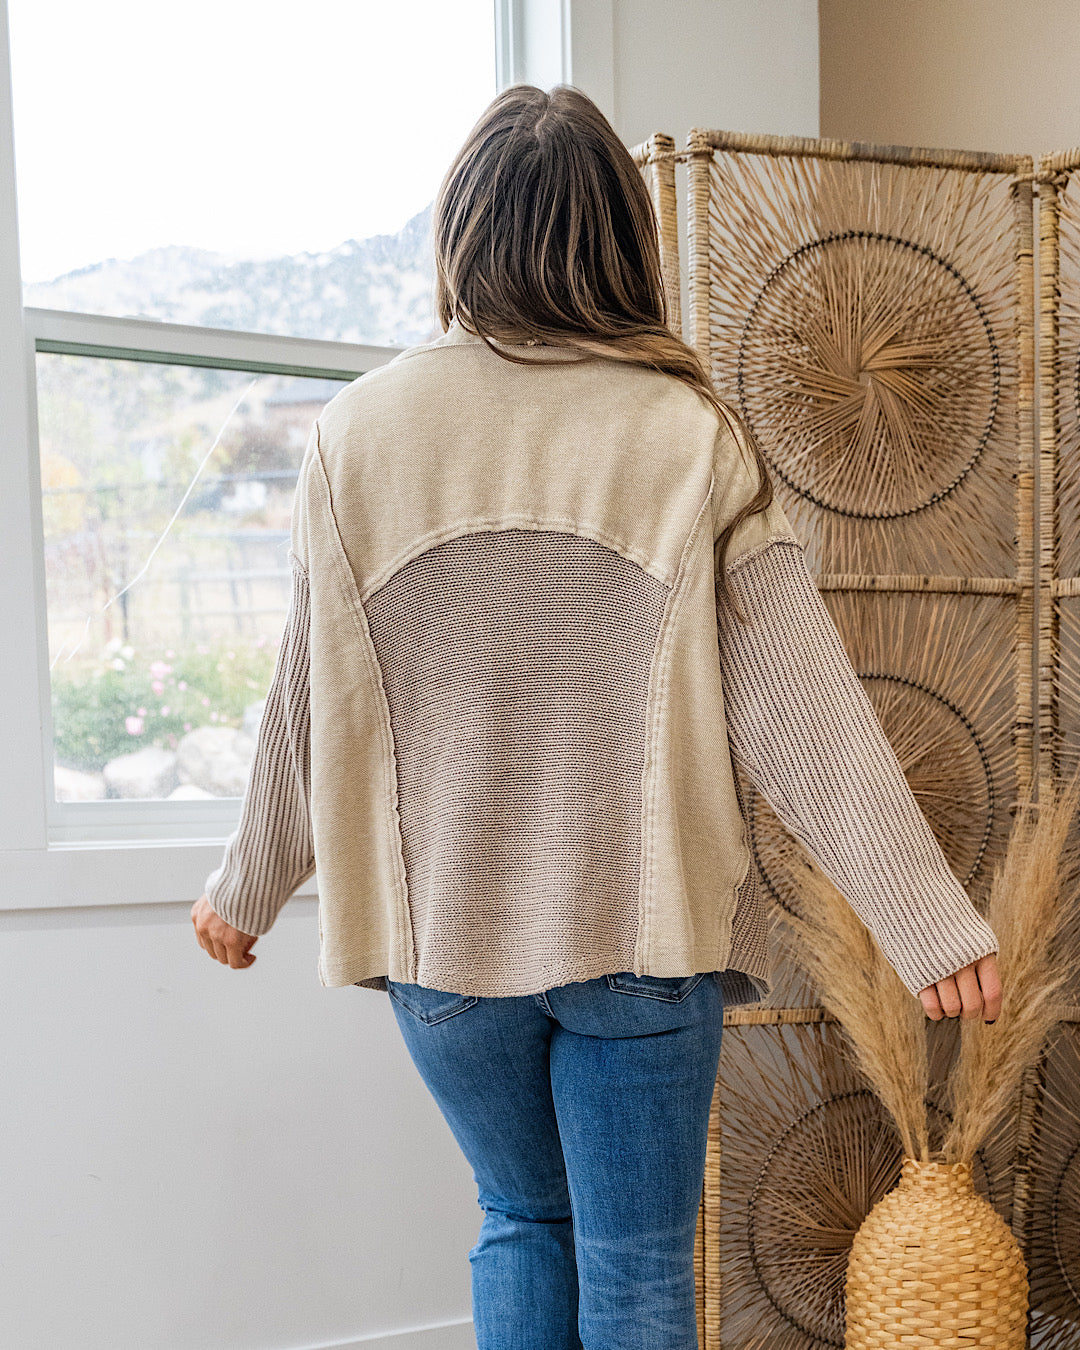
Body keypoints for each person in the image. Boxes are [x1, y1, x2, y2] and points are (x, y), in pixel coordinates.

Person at [190, 84, 1002, 1350]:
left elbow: (310, 690)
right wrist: (927, 920)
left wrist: (248, 886)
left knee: (521, 1218)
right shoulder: (686, 434)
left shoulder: (357, 433)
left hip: (443, 945)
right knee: (634, 1271)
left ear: (461, 232)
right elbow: (802, 702)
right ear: (624, 238)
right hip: (641, 938)